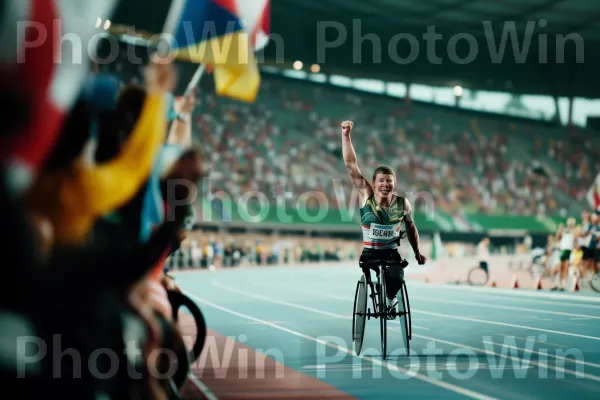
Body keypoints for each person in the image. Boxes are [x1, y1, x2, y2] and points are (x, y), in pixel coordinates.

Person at [341, 120, 426, 319]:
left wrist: (417, 253)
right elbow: (350, 165)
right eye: (381, 180)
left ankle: (389, 300)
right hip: (370, 253)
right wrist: (345, 135)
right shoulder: (366, 195)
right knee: (373, 276)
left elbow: (411, 228)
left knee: (397, 276)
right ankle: (376, 293)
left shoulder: (403, 204)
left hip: (391, 253)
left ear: (395, 183)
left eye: (389, 180)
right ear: (374, 183)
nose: (385, 184)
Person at [552, 217, 577, 291]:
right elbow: (557, 238)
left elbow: (575, 238)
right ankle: (558, 283)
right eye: (569, 223)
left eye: (572, 223)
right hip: (562, 250)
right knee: (560, 267)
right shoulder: (564, 230)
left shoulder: (574, 231)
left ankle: (564, 284)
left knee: (566, 267)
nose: (570, 224)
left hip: (569, 250)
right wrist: (560, 229)